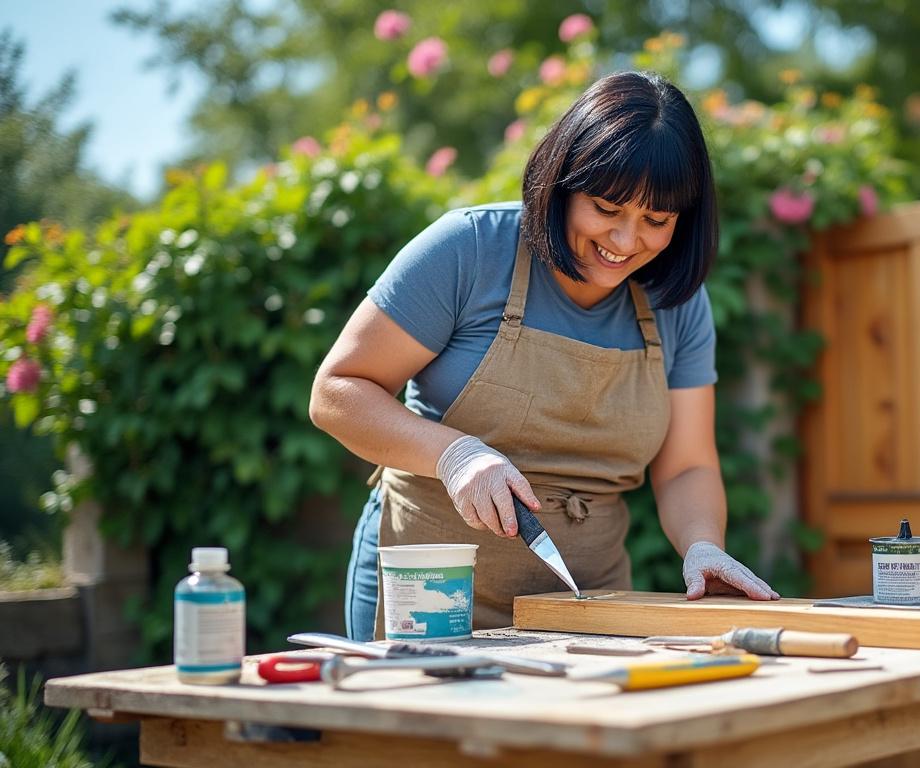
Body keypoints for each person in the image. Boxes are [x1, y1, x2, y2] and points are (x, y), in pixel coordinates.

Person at [310, 70, 780, 641]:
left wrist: (703, 544)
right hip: (429, 588)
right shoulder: (470, 249)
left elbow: (686, 466)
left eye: (656, 221)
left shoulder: (675, 302)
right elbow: (337, 392)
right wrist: (454, 454)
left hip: (585, 598)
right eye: (606, 208)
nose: (627, 241)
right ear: (562, 183)